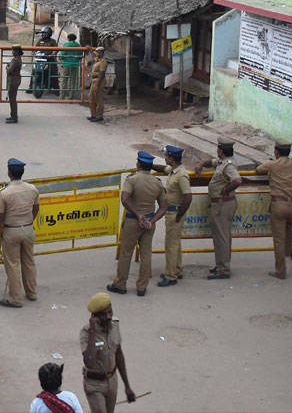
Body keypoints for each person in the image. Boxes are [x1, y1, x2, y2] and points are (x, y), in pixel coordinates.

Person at [107, 151, 167, 297]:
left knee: (126, 253)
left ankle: (120, 284)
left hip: (133, 221)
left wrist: (138, 215)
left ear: (138, 164)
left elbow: (125, 199)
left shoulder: (132, 180)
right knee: (146, 254)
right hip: (149, 223)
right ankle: (142, 287)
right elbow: (163, 207)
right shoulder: (157, 183)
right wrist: (151, 221)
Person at [0, 158, 40, 308]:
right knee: (29, 261)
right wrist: (28, 221)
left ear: (9, 173)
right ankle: (32, 293)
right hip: (28, 228)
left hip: (11, 231)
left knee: (12, 265)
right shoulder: (32, 189)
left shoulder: (4, 193)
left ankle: (15, 298)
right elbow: (36, 208)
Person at [195, 138, 243, 280]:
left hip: (223, 204)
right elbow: (211, 162)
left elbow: (238, 180)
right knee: (222, 237)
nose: (217, 152)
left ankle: (223, 269)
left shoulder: (228, 166)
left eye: (218, 149)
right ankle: (221, 265)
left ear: (221, 151)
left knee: (222, 237)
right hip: (223, 204)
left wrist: (225, 190)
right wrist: (201, 164)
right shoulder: (224, 163)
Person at [255, 140, 292, 280]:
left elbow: (259, 169)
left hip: (279, 205)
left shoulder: (272, 164)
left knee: (278, 239)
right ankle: (288, 253)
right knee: (290, 230)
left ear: (276, 152)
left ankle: (280, 271)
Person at [81, 293, 136, 413]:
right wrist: (93, 332)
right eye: (104, 314)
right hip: (94, 385)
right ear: (94, 317)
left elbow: (119, 354)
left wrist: (127, 386)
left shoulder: (115, 325)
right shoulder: (86, 333)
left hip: (112, 381)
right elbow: (89, 361)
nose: (109, 316)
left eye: (110, 312)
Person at [153, 145, 192, 288]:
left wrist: (179, 214)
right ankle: (176, 269)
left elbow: (188, 197)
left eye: (166, 157)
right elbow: (163, 169)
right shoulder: (173, 171)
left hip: (175, 213)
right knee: (175, 243)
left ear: (171, 158)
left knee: (171, 245)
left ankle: (171, 276)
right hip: (172, 212)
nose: (165, 158)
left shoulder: (181, 175)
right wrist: (149, 165)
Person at [29, 26, 58, 94]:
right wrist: (33, 53)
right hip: (40, 59)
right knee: (34, 71)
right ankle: (31, 87)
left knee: (53, 72)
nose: (43, 35)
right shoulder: (40, 41)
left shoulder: (52, 41)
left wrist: (53, 54)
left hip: (49, 59)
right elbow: (35, 49)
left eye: (45, 33)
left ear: (49, 34)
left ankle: (56, 89)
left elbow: (55, 49)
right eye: (42, 33)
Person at [59, 33, 83, 101]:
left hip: (66, 65)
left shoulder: (66, 45)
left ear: (68, 38)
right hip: (75, 65)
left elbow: (61, 56)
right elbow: (80, 56)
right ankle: (71, 97)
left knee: (63, 81)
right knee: (73, 81)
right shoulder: (78, 46)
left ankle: (62, 97)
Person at [88, 47, 107, 123]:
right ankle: (93, 114)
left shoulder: (103, 62)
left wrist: (97, 85)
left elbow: (102, 74)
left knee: (99, 99)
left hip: (99, 81)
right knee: (91, 98)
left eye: (99, 52)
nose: (97, 54)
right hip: (94, 80)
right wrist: (90, 50)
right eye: (97, 52)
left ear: (102, 53)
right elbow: (93, 57)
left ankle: (99, 116)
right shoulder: (97, 60)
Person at [6, 44, 23, 124]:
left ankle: (14, 117)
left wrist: (7, 67)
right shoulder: (17, 59)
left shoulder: (16, 60)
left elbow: (9, 70)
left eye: (13, 50)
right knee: (12, 97)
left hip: (14, 79)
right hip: (15, 78)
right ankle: (13, 115)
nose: (12, 52)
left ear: (16, 51)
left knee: (12, 99)